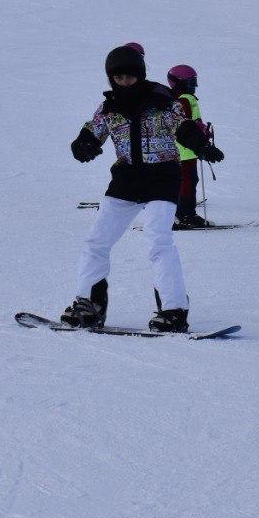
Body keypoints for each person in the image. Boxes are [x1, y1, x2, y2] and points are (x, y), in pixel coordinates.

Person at [64, 45, 225, 332]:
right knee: (97, 241)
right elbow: (92, 131)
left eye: (130, 77)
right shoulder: (109, 107)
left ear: (141, 74)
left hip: (161, 178)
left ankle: (173, 310)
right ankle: (89, 305)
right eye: (118, 78)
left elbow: (183, 127)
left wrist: (202, 146)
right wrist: (83, 144)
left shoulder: (161, 100)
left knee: (158, 240)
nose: (124, 82)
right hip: (126, 180)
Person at [167, 65, 209, 228]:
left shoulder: (185, 98)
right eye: (191, 82)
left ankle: (185, 213)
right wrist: (199, 132)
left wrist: (202, 131)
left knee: (189, 180)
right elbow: (183, 124)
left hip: (189, 148)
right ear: (178, 83)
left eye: (195, 82)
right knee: (187, 181)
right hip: (184, 150)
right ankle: (185, 214)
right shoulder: (183, 100)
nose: (194, 86)